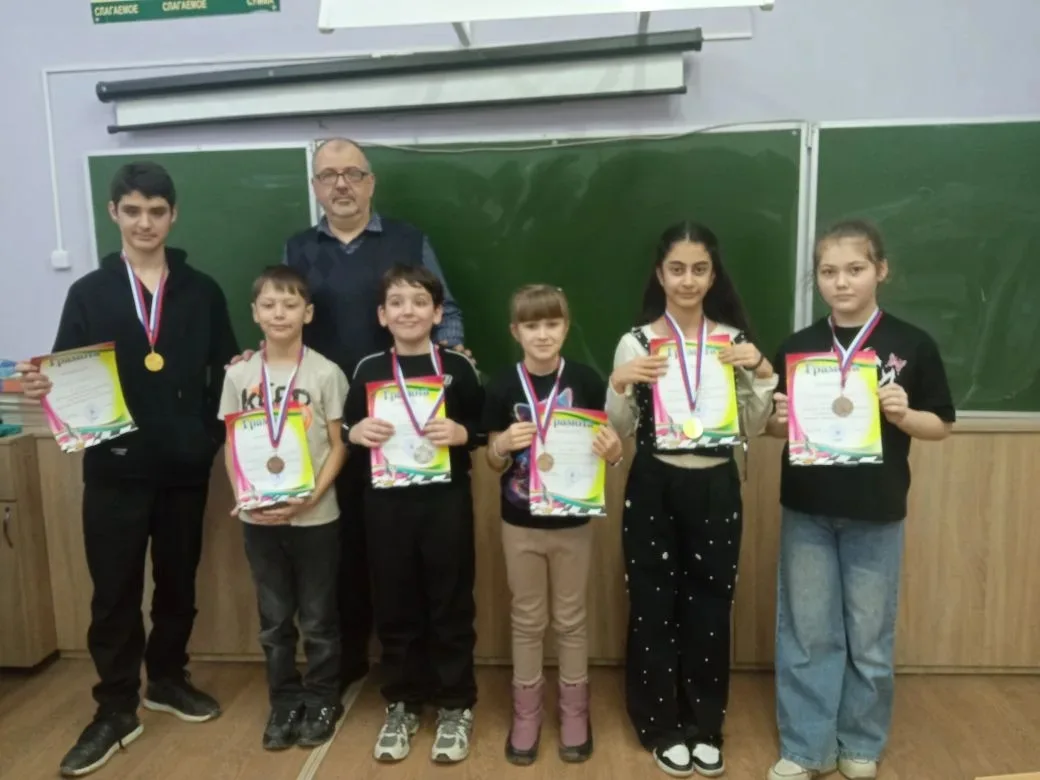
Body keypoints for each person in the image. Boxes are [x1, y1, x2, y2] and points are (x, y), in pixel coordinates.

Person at [17, 162, 238, 778]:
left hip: (184, 466)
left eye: (157, 211)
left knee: (178, 582)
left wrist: (208, 438)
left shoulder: (203, 290)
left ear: (173, 215)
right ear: (114, 212)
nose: (146, 222)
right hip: (113, 468)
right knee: (113, 592)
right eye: (133, 210)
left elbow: (228, 369)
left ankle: (167, 678)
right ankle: (115, 707)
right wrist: (41, 385)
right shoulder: (89, 292)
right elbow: (65, 372)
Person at [764, 221, 954, 780]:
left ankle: (861, 742)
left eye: (855, 269)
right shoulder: (798, 346)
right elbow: (774, 426)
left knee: (869, 635)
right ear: (817, 278)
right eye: (828, 272)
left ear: (881, 270)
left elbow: (941, 425)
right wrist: (777, 420)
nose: (841, 282)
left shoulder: (912, 344)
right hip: (808, 508)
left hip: (877, 510)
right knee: (807, 633)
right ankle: (806, 748)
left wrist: (904, 414)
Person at [285, 137, 468, 693]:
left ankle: (423, 670)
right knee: (338, 543)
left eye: (353, 174)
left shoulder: (408, 239)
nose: (341, 184)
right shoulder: (298, 247)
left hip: (405, 424)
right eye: (328, 176)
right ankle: (347, 659)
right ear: (316, 187)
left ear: (371, 183)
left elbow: (446, 310)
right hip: (330, 421)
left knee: (402, 548)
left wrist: (451, 359)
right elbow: (285, 316)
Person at [605, 221, 778, 777]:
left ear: (713, 275)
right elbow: (618, 430)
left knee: (710, 604)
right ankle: (659, 724)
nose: (688, 280)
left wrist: (762, 371)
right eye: (677, 269)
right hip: (654, 481)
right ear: (660, 275)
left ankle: (705, 724)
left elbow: (753, 423)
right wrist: (619, 382)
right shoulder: (635, 342)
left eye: (699, 269)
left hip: (716, 483)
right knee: (653, 602)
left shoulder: (732, 341)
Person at [343, 264, 483, 765]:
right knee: (395, 603)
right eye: (397, 303)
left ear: (438, 313)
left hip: (445, 501)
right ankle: (402, 701)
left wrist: (463, 434)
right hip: (386, 504)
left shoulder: (457, 367)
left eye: (420, 301)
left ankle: (454, 704)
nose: (409, 311)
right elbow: (348, 427)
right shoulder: (367, 369)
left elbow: (482, 427)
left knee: (450, 602)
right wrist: (356, 433)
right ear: (382, 315)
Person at [482, 284, 623, 765]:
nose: (542, 334)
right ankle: (527, 714)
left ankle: (575, 711)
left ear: (566, 326)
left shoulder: (586, 380)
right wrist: (500, 446)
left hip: (572, 523)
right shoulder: (502, 386)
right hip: (519, 523)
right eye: (531, 325)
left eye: (552, 323)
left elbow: (607, 449)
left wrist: (614, 452)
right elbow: (492, 463)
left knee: (571, 618)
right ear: (515, 331)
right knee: (526, 618)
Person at [218, 266, 348, 750]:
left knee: (318, 618)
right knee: (274, 621)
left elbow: (339, 445)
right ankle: (284, 701)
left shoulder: (326, 373)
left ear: (307, 313)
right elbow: (231, 444)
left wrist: (312, 496)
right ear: (254, 313)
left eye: (290, 305)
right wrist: (242, 494)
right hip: (259, 518)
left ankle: (322, 699)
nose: (279, 313)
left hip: (316, 516)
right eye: (269, 305)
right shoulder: (238, 375)